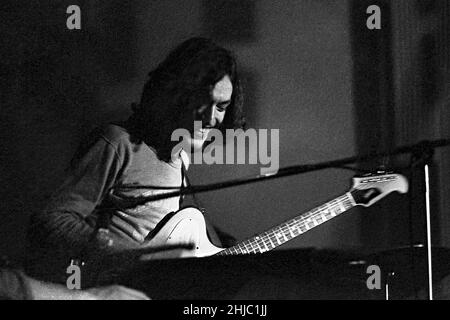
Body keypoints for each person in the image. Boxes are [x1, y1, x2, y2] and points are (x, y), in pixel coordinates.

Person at [25, 37, 244, 287]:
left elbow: (163, 235)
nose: (210, 118)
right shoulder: (117, 143)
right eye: (202, 101)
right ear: (174, 94)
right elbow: (51, 220)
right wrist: (119, 252)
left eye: (221, 106)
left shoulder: (181, 158)